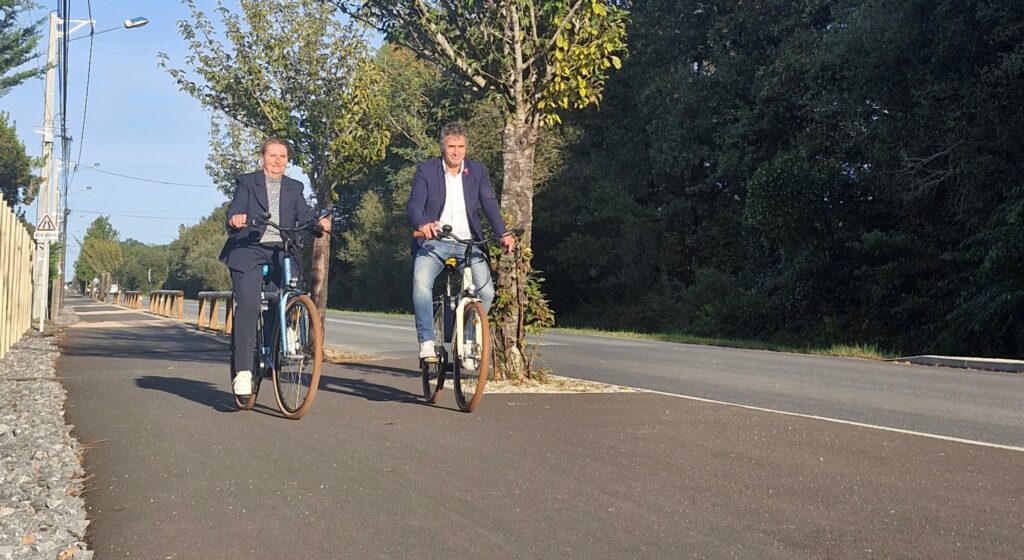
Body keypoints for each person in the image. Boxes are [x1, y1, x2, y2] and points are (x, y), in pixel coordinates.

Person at [219, 138, 331, 395]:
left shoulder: (294, 187)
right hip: (249, 248)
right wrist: (236, 218)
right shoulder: (247, 182)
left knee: (294, 290)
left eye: (283, 156)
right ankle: (244, 372)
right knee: (248, 304)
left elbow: (303, 215)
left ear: (288, 160)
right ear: (262, 157)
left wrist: (318, 222)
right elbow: (234, 209)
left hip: (281, 250)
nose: (278, 160)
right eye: (272, 155)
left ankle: (288, 332)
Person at [407, 123, 515, 362]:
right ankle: (426, 342)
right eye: (451, 146)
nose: (456, 152)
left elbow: (489, 203)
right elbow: (415, 205)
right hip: (435, 242)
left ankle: (467, 342)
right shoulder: (427, 170)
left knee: (486, 291)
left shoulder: (477, 171)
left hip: (469, 243)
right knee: (421, 282)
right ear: (443, 147)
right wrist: (423, 224)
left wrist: (503, 233)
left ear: (466, 148)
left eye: (461, 147)